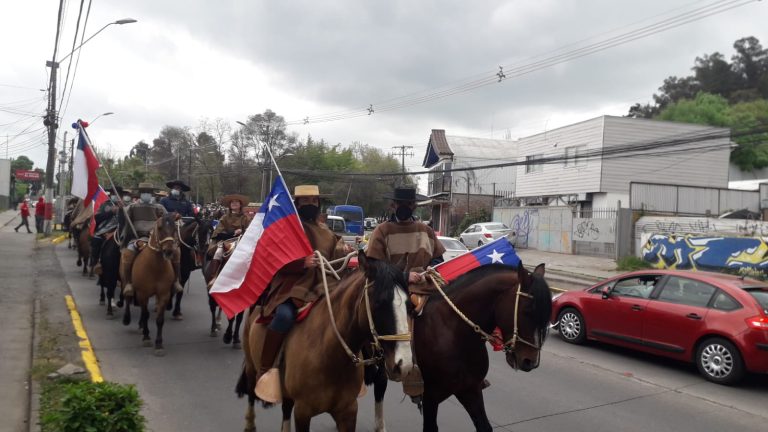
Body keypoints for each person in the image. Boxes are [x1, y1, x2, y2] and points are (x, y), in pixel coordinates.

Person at [257, 185, 354, 381]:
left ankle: (359, 367)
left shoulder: (325, 229)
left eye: (314, 201)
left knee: (352, 312)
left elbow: (333, 252)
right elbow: (274, 257)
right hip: (293, 284)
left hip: (325, 283)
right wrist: (302, 263)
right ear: (297, 203)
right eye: (306, 201)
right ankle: (265, 368)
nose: (311, 204)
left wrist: (342, 250)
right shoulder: (288, 228)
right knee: (284, 316)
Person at [366, 186, 445, 309]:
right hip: (392, 292)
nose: (404, 207)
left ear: (414, 206)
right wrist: (405, 276)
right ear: (393, 205)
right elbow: (374, 267)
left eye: (408, 204)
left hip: (425, 290)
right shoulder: (381, 231)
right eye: (400, 203)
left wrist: (430, 270)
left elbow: (438, 261)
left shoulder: (426, 231)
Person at [119, 183, 169, 297]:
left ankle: (174, 280)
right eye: (144, 192)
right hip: (136, 238)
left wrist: (173, 217)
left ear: (152, 194)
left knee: (174, 252)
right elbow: (123, 218)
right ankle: (128, 283)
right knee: (128, 253)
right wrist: (121, 209)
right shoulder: (132, 207)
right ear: (140, 194)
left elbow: (167, 219)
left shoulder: (159, 208)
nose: (146, 194)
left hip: (155, 238)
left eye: (148, 192)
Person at [205, 194, 251, 284]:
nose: (234, 203)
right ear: (230, 205)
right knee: (218, 252)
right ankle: (213, 277)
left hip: (242, 242)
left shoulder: (246, 218)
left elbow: (250, 231)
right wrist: (232, 233)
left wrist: (242, 231)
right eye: (232, 202)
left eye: (236, 202)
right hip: (226, 242)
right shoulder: (224, 218)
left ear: (240, 204)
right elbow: (218, 233)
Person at [91, 186, 128, 273]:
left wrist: (122, 210)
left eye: (117, 194)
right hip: (105, 230)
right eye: (113, 194)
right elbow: (96, 218)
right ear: (110, 194)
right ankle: (97, 262)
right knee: (97, 240)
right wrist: (110, 212)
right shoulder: (103, 204)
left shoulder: (127, 206)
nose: (115, 195)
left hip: (122, 231)